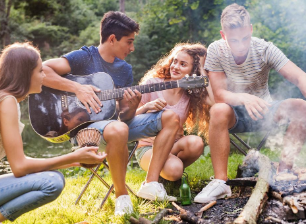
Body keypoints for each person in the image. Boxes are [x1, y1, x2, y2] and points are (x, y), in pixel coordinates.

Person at [194, 3, 306, 204]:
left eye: (245, 38)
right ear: (223, 35)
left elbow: (301, 78)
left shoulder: (264, 48)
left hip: (265, 112)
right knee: (218, 109)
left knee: (301, 106)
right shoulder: (216, 50)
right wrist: (245, 98)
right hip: (233, 114)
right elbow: (219, 94)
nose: (241, 45)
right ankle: (220, 182)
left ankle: (283, 174)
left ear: (251, 30)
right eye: (234, 40)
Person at [42, 11, 180, 214]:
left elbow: (123, 117)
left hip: (114, 126)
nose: (132, 48)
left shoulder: (124, 69)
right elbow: (42, 71)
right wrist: (78, 88)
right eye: (129, 42)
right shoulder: (84, 57)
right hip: (83, 129)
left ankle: (151, 183)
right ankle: (122, 197)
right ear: (113, 39)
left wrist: (132, 106)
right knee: (117, 129)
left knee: (170, 117)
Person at [0, 42, 106, 222]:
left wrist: (75, 161)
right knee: (52, 182)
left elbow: (19, 163)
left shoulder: (6, 99)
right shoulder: (7, 101)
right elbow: (19, 168)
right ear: (26, 74)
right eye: (40, 70)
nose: (44, 75)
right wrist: (72, 157)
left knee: (54, 177)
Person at [135, 43, 214, 199]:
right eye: (175, 61)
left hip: (173, 146)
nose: (175, 66)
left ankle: (163, 179)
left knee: (196, 142)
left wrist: (204, 73)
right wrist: (147, 107)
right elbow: (128, 120)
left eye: (183, 64)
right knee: (175, 170)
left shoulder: (190, 94)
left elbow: (215, 103)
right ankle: (158, 179)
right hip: (148, 148)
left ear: (193, 70)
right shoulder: (152, 84)